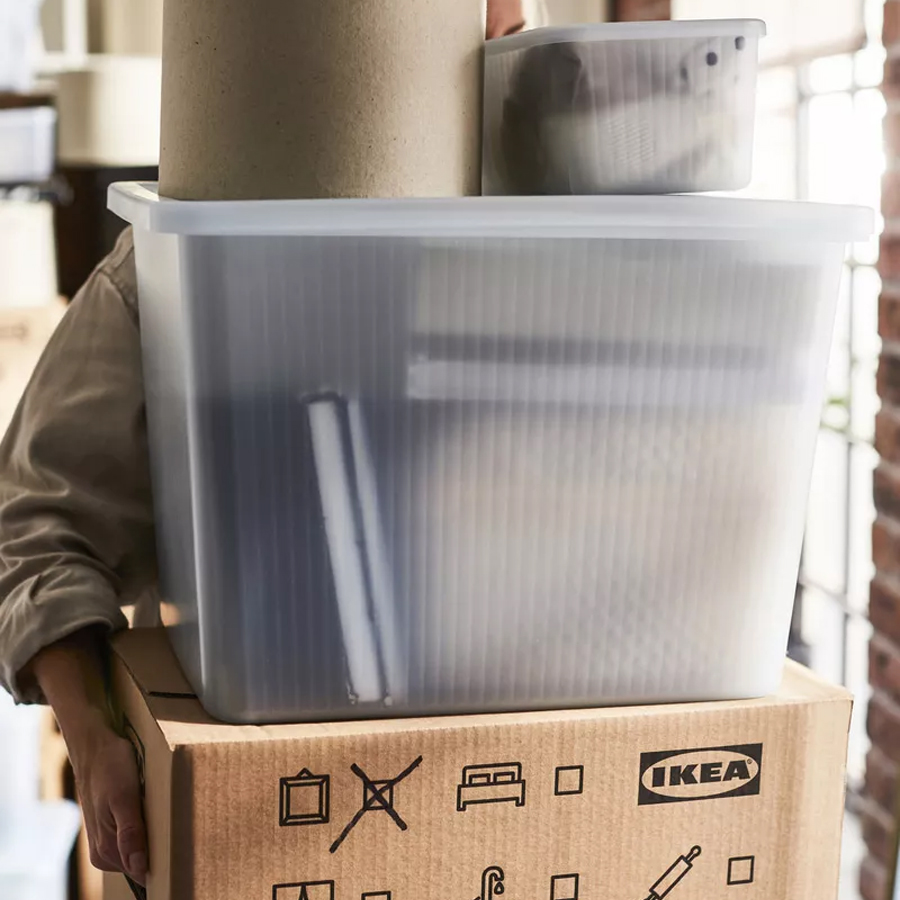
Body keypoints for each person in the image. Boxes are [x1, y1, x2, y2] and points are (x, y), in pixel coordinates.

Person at [0, 1, 532, 888]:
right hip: (258, 795)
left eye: (503, 38)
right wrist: (93, 737)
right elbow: (37, 530)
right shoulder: (177, 268)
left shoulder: (568, 262)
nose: (492, 60)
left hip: (505, 798)